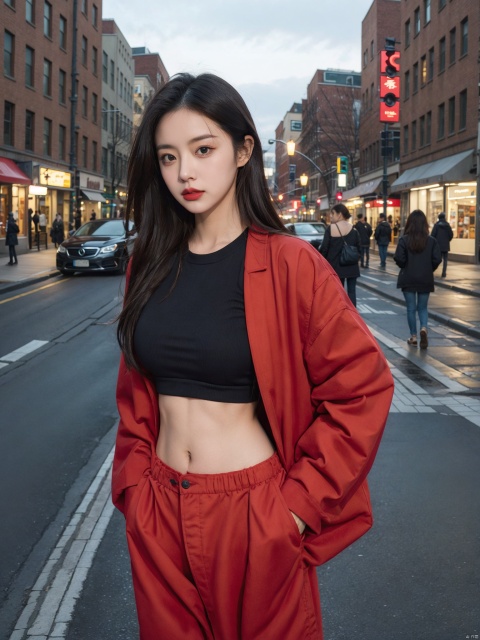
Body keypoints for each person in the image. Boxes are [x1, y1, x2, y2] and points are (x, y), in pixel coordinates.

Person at [112, 72, 394, 640]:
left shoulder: (292, 265)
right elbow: (135, 392)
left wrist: (294, 508)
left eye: (203, 149)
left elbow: (361, 388)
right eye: (168, 157)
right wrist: (135, 485)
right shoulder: (148, 264)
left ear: (243, 151)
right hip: (159, 509)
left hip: (255, 512)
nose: (184, 172)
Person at [393, 209, 442, 349]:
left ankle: (413, 336)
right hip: (425, 278)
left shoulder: (404, 240)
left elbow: (399, 259)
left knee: (410, 308)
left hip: (408, 278)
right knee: (422, 307)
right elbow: (437, 259)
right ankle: (424, 328)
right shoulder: (431, 241)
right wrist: (429, 268)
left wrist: (405, 265)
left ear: (410, 223)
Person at [319, 203, 361, 306]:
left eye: (333, 213)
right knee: (352, 292)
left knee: (338, 293)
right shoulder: (354, 229)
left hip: (335, 267)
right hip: (352, 266)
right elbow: (359, 249)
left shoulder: (331, 229)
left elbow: (324, 249)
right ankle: (353, 316)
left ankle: (341, 316)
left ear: (340, 214)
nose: (331, 216)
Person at [431, 212, 453, 277]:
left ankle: (432, 270)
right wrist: (447, 240)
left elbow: (433, 235)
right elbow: (451, 235)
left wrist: (434, 243)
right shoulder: (447, 225)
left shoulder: (436, 225)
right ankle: (444, 273)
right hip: (445, 245)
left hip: (438, 245)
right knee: (445, 260)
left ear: (439, 218)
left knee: (437, 259)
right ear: (444, 218)